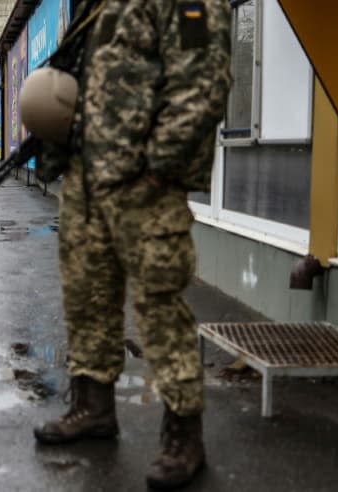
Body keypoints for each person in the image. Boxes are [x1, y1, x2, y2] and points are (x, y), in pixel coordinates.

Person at [31, 0, 232, 490]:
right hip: (86, 181)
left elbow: (203, 84)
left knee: (158, 305)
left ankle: (184, 435)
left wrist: (157, 169)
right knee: (86, 298)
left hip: (144, 184)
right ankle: (93, 408)